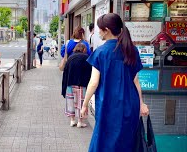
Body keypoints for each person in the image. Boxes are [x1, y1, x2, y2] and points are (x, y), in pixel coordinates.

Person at [80, 13, 149, 152]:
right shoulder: (131, 50)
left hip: (108, 105)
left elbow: (93, 82)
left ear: (107, 30)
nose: (98, 31)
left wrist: (84, 104)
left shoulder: (101, 52)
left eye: (100, 29)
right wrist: (141, 103)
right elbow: (135, 80)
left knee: (104, 142)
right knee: (127, 142)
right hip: (130, 105)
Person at [62, 43, 92, 128]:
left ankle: (72, 120)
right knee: (81, 103)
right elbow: (89, 73)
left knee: (71, 102)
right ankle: (80, 121)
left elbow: (65, 74)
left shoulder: (70, 58)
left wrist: (64, 88)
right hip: (82, 85)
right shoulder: (86, 58)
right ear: (84, 50)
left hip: (70, 84)